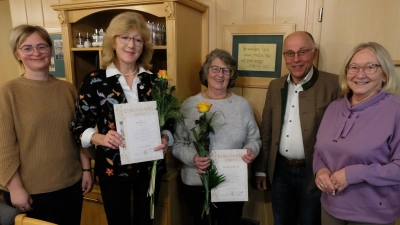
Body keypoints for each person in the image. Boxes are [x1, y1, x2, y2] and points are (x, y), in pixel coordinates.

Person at [70, 11, 171, 225]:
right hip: (112, 167)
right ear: (113, 42)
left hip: (149, 166)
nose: (131, 45)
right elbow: (78, 127)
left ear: (144, 46)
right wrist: (101, 138)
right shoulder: (95, 81)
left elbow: (169, 122)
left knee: (146, 221)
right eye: (124, 37)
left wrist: (165, 138)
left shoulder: (156, 82)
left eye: (137, 39)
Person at [0, 24, 93, 225]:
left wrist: (86, 170)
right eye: (27, 48)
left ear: (51, 50)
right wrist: (15, 188)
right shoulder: (8, 92)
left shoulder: (68, 89)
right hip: (29, 192)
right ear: (17, 53)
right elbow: (3, 146)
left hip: (70, 185)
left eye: (42, 46)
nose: (36, 53)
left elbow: (80, 135)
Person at [253, 31, 341, 225]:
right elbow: (266, 130)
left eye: (302, 52)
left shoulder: (332, 84)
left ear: (314, 53)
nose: (296, 59)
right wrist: (261, 169)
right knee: (281, 221)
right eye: (289, 54)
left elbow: (340, 135)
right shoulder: (275, 86)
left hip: (313, 173)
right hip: (280, 171)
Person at [313, 42, 400, 225]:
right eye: (353, 67)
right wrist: (320, 170)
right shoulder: (334, 107)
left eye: (370, 67)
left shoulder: (396, 111)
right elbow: (319, 150)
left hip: (372, 214)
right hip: (330, 207)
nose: (360, 74)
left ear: (384, 74)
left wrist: (353, 174)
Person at [172, 48, 262, 225]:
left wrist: (251, 150)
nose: (220, 74)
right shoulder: (190, 105)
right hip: (196, 182)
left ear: (231, 76)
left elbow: (255, 138)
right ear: (206, 72)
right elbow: (178, 143)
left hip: (231, 182)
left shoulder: (242, 105)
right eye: (215, 69)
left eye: (226, 70)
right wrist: (193, 157)